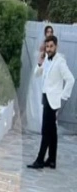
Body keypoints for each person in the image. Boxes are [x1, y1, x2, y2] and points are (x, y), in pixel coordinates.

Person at [29, 34, 74, 169]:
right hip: (46, 97)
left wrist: (63, 97)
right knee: (52, 131)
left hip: (53, 101)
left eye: (51, 46)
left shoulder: (60, 61)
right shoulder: (47, 60)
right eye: (47, 46)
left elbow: (70, 79)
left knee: (46, 131)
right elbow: (37, 74)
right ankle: (52, 160)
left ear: (56, 46)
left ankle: (40, 160)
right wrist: (40, 61)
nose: (49, 49)